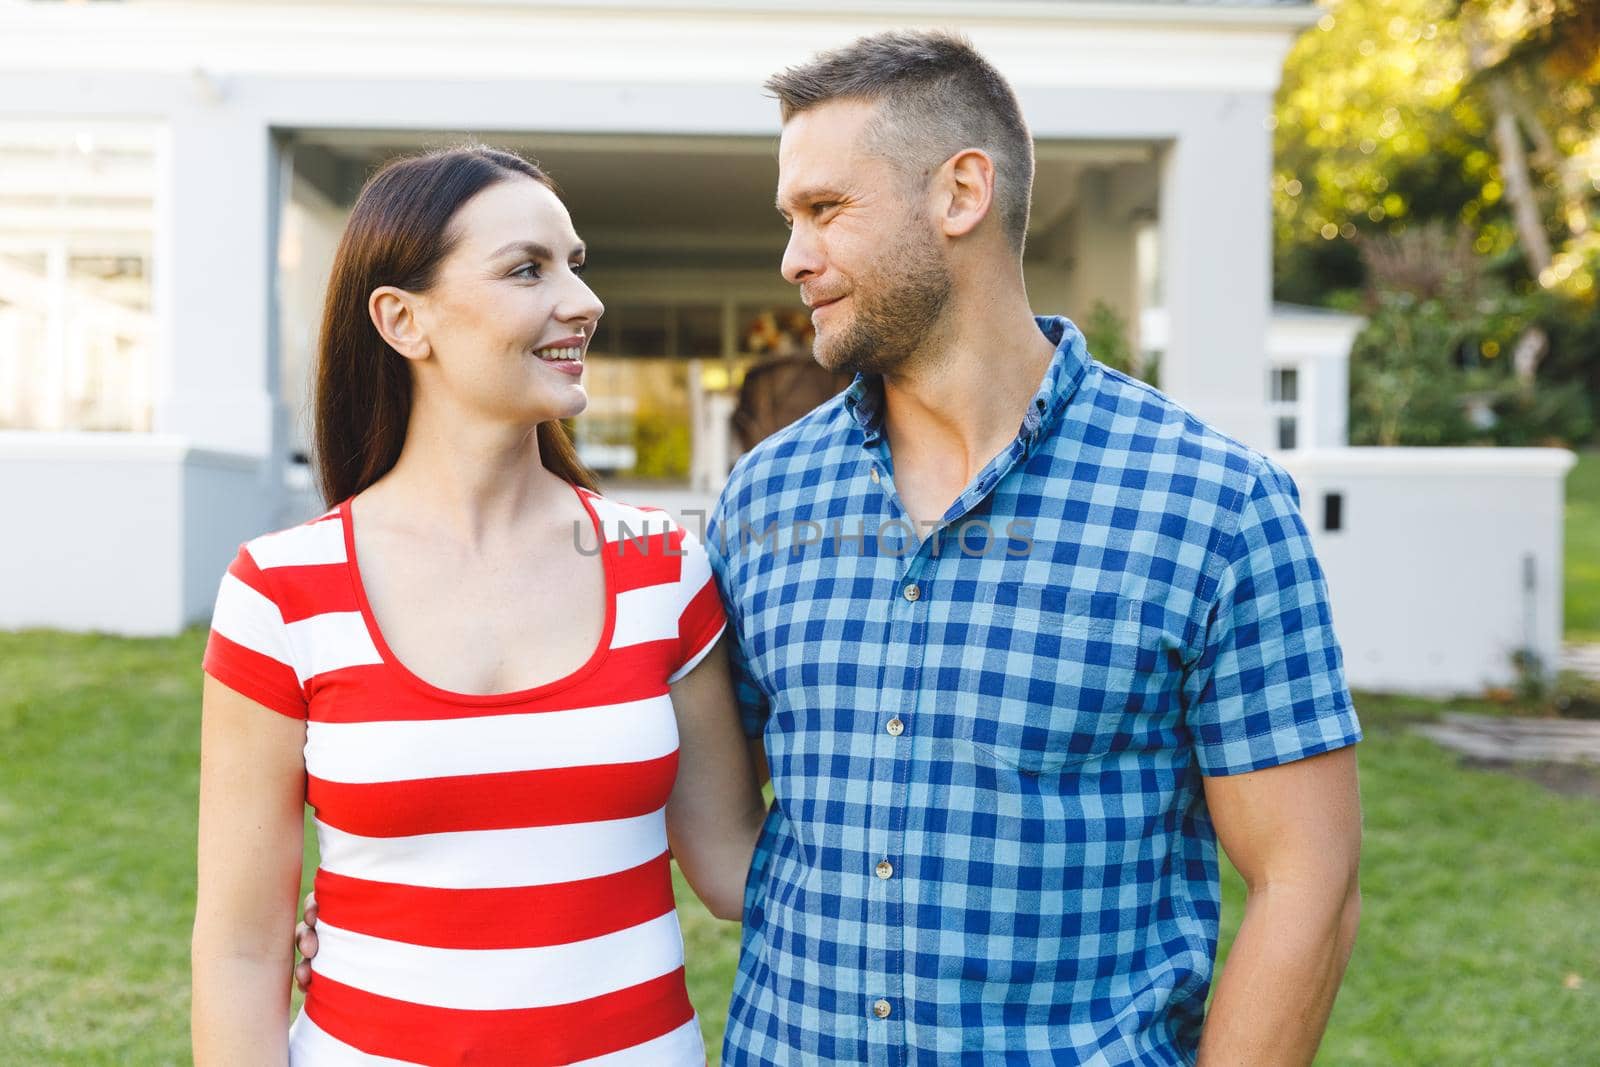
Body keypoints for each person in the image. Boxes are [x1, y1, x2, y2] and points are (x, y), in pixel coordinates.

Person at [299, 31, 1363, 1065]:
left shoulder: (1211, 505)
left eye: (825, 210)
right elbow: (656, 792)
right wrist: (405, 886)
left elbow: (1306, 879)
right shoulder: (764, 498)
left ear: (960, 193)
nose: (791, 257)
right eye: (789, 217)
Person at [191, 146, 764, 1065]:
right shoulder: (280, 590)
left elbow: (739, 868)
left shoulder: (665, 563)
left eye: (577, 264)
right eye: (528, 269)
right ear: (402, 319)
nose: (582, 301)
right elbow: (241, 949)